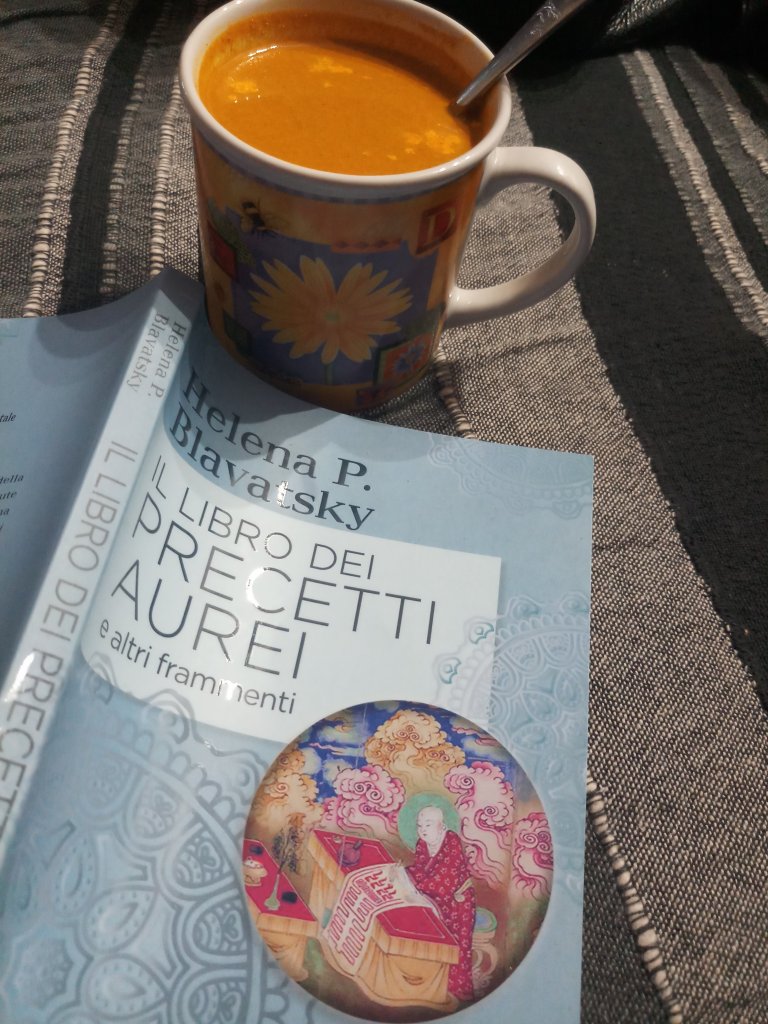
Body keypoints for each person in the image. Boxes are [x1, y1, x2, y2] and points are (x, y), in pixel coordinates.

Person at [406, 805, 476, 1002]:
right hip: (434, 900)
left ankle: (456, 991)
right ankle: (428, 984)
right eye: (420, 825)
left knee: (455, 948)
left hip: (457, 904)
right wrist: (404, 873)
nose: (423, 830)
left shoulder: (452, 843)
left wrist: (414, 884)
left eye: (428, 825)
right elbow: (420, 870)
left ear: (442, 826)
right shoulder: (422, 844)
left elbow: (444, 882)